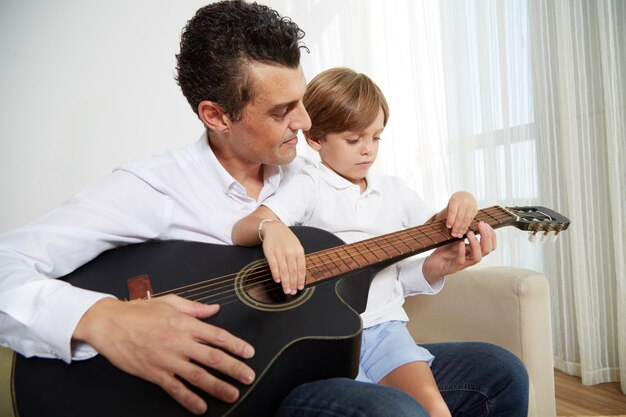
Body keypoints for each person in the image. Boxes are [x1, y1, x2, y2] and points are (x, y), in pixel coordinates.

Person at [0, 1, 529, 416]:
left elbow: (365, 263)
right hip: (251, 391)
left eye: (301, 100)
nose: (304, 121)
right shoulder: (153, 189)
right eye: (281, 111)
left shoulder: (316, 175)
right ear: (216, 114)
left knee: (499, 372)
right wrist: (101, 318)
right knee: (386, 410)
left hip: (330, 352)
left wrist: (437, 262)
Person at [232, 67, 483, 417]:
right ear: (315, 139)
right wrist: (271, 228)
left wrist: (463, 201)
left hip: (386, 329)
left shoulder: (395, 191)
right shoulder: (310, 184)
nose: (368, 151)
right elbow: (246, 226)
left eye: (376, 137)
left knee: (435, 411)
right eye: (354, 140)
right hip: (326, 339)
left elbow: (438, 227)